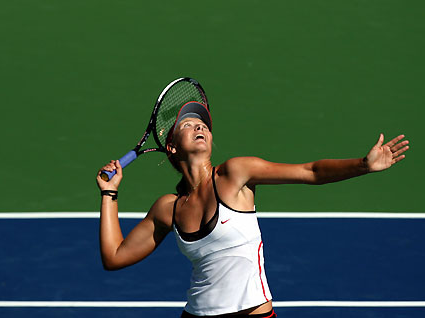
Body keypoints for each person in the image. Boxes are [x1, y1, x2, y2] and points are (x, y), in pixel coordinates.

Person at [96, 102, 409, 318]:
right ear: (172, 146)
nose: (199, 126)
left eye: (202, 123)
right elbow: (115, 256)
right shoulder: (168, 208)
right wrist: (110, 193)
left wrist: (363, 165)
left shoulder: (236, 174)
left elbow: (309, 171)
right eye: (188, 124)